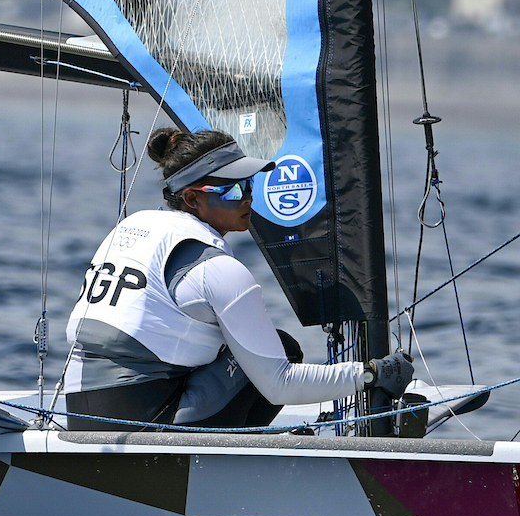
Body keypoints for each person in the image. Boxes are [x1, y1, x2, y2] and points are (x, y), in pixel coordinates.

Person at [64, 127, 413, 429]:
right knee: (283, 349)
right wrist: (371, 374)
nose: (247, 197)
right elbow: (280, 385)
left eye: (248, 184)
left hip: (78, 419)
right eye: (230, 190)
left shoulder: (129, 228)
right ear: (190, 198)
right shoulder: (218, 269)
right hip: (148, 433)